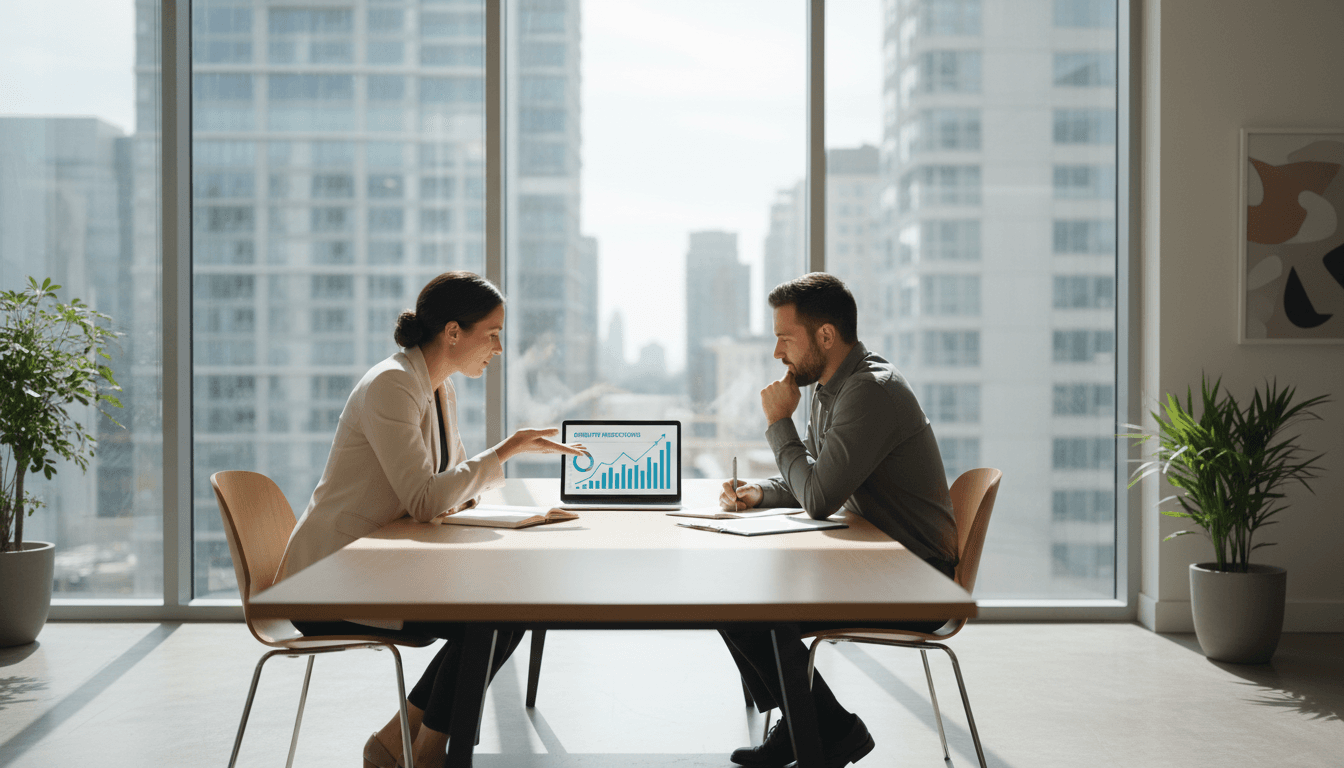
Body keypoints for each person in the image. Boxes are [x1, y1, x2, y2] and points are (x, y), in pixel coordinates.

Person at [272, 271, 587, 768]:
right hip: (328, 579)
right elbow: (424, 499)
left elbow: (448, 490)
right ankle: (430, 752)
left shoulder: (439, 389)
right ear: (454, 332)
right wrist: (507, 449)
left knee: (507, 612)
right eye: (493, 333)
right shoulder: (392, 386)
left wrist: (477, 496)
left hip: (376, 565)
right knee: (486, 620)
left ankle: (401, 742)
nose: (499, 348)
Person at [717, 272, 960, 768]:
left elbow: (821, 498)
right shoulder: (832, 390)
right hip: (878, 563)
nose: (777, 353)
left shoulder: (871, 391)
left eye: (785, 338)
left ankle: (826, 730)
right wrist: (760, 492)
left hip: (918, 579)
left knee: (751, 610)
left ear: (826, 336)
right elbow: (814, 478)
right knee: (733, 600)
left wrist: (778, 423)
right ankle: (815, 724)